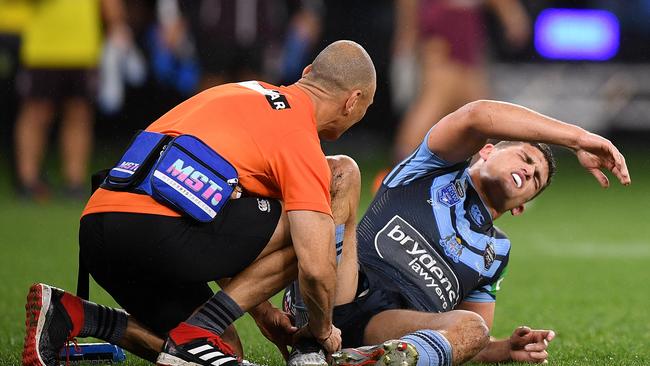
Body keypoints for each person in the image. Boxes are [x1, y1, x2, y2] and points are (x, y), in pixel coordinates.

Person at [22, 40, 376, 366]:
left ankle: (72, 314)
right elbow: (315, 267)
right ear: (352, 101)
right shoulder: (298, 138)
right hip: (157, 229)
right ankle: (207, 328)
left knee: (221, 348)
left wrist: (264, 313)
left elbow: (204, 208)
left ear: (307, 72)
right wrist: (323, 330)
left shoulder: (240, 92)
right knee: (312, 225)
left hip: (101, 226)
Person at [285, 100, 630, 366]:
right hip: (342, 286)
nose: (528, 170)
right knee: (342, 172)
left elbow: (469, 340)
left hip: (383, 328)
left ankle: (358, 360)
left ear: (521, 207)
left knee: (472, 328)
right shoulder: (434, 165)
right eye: (524, 157)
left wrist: (503, 349)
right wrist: (578, 139)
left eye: (536, 178)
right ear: (487, 150)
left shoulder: (496, 253)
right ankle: (307, 322)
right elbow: (478, 114)